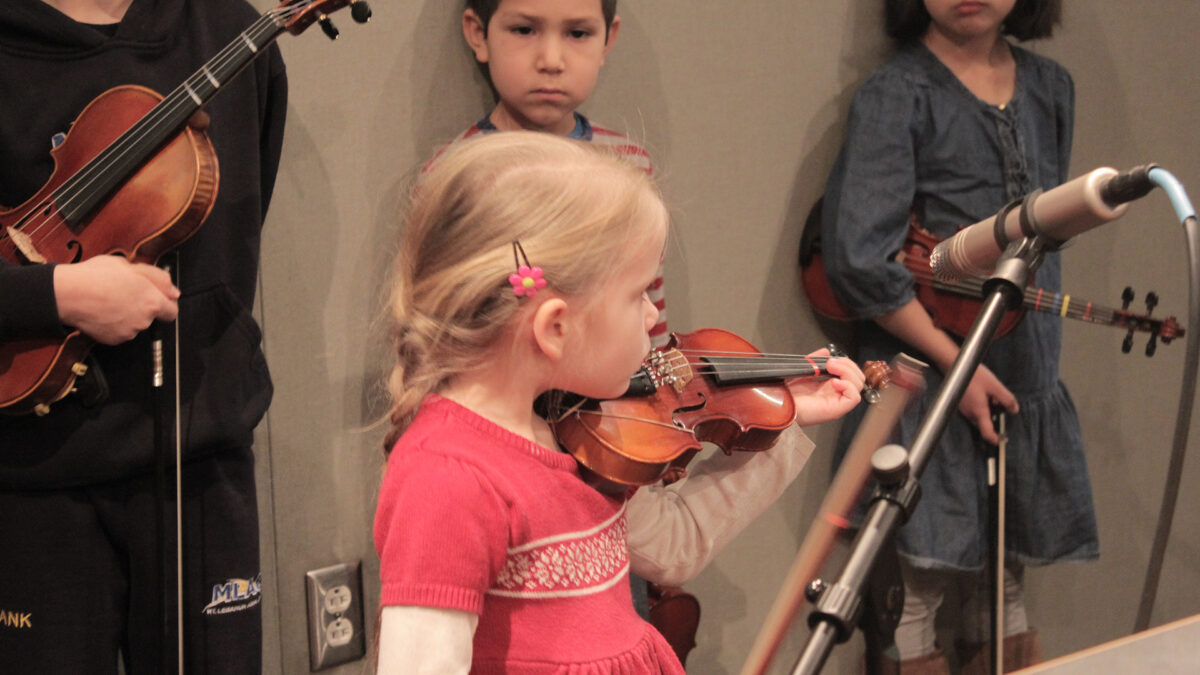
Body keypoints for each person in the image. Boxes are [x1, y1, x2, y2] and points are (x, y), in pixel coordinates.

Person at [373, 131, 866, 672]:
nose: (654, 318)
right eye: (637, 296)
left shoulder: (570, 424)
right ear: (555, 327)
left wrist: (787, 416)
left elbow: (673, 546)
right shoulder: (449, 478)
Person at [0, 0, 286, 672]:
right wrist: (57, 294)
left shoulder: (233, 35)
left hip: (198, 467)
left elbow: (239, 230)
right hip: (32, 472)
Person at [819, 0, 1096, 672]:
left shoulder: (1051, 86)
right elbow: (859, 259)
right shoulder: (898, 94)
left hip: (1022, 373)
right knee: (918, 589)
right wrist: (960, 368)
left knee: (1002, 580)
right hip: (930, 378)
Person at [423, 0, 669, 349]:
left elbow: (646, 304)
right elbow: (430, 328)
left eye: (578, 33)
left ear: (607, 40)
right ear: (479, 34)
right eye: (524, 30)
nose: (551, 61)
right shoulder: (453, 174)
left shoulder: (629, 164)